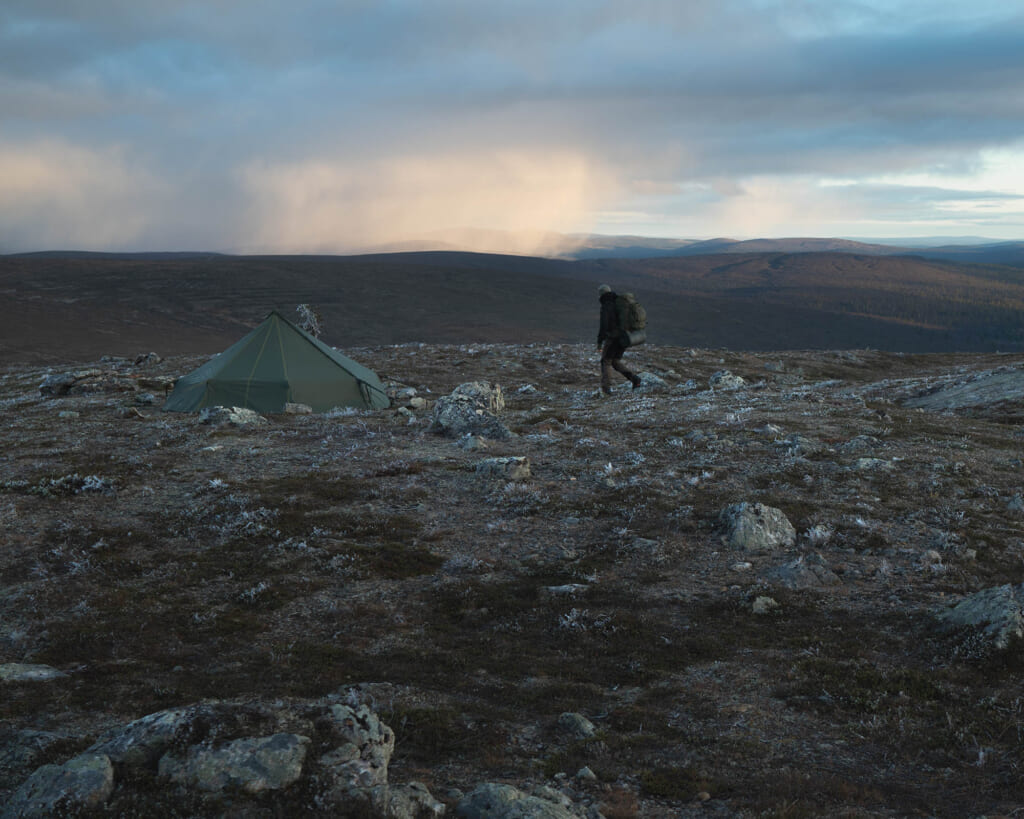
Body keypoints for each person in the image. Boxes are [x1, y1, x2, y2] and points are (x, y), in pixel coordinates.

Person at [596, 284, 642, 395]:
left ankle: (606, 390)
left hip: (613, 338)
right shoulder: (620, 303)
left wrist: (599, 342)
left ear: (601, 294)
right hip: (624, 337)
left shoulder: (607, 305)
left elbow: (604, 325)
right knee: (615, 361)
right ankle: (635, 379)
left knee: (605, 361)